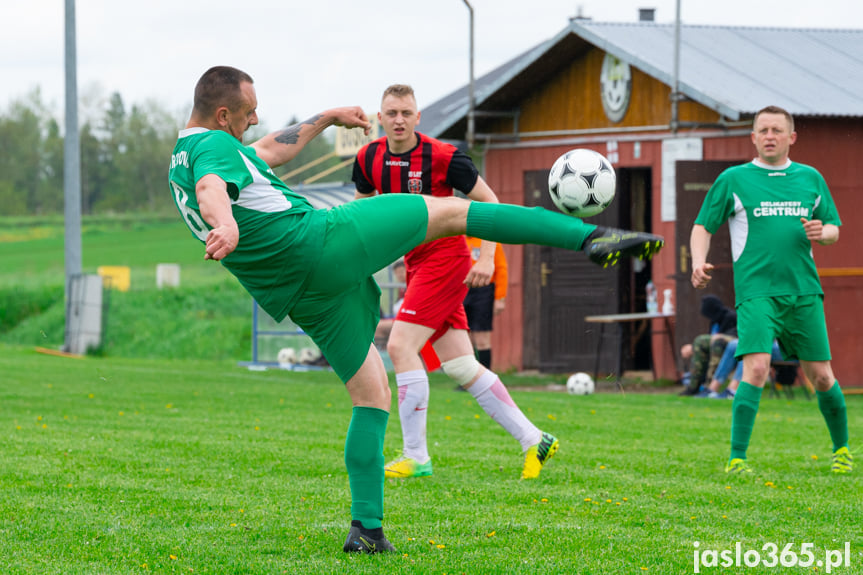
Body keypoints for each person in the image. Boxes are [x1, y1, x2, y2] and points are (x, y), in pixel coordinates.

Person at [168, 66, 664, 554]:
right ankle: (594, 238)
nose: (254, 121)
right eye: (248, 114)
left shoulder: (187, 156)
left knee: (371, 393)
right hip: (320, 242)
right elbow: (215, 189)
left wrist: (327, 117)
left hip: (300, 293)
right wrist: (226, 224)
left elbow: (270, 151)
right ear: (223, 112)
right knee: (452, 213)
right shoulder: (211, 149)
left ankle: (367, 530)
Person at [352, 84, 561, 483]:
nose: (399, 120)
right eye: (391, 113)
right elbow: (362, 211)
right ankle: (535, 438)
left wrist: (486, 255)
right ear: (380, 118)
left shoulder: (444, 156)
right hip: (415, 262)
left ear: (418, 118)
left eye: (406, 113)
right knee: (462, 365)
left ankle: (416, 456)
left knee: (399, 345)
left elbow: (490, 204)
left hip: (446, 259)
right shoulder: (368, 158)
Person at [690, 105, 851, 474]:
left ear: (791, 137)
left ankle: (842, 450)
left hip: (804, 292)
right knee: (757, 367)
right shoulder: (734, 179)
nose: (769, 136)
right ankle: (737, 458)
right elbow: (702, 227)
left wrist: (821, 233)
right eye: (763, 130)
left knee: (822, 375)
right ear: (753, 137)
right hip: (757, 292)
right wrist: (698, 262)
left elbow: (833, 229)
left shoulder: (810, 178)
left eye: (777, 130)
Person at [463, 236, 508, 370]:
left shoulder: (489, 242)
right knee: (465, 338)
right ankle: (468, 378)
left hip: (483, 290)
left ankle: (485, 378)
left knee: (482, 338)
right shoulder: (458, 240)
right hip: (462, 289)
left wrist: (500, 298)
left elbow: (501, 268)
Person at [678, 294, 737, 396]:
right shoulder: (715, 320)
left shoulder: (731, 316)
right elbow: (711, 337)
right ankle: (694, 385)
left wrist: (719, 336)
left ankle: (710, 387)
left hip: (733, 347)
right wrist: (693, 348)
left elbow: (735, 334)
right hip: (718, 347)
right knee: (699, 343)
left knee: (711, 342)